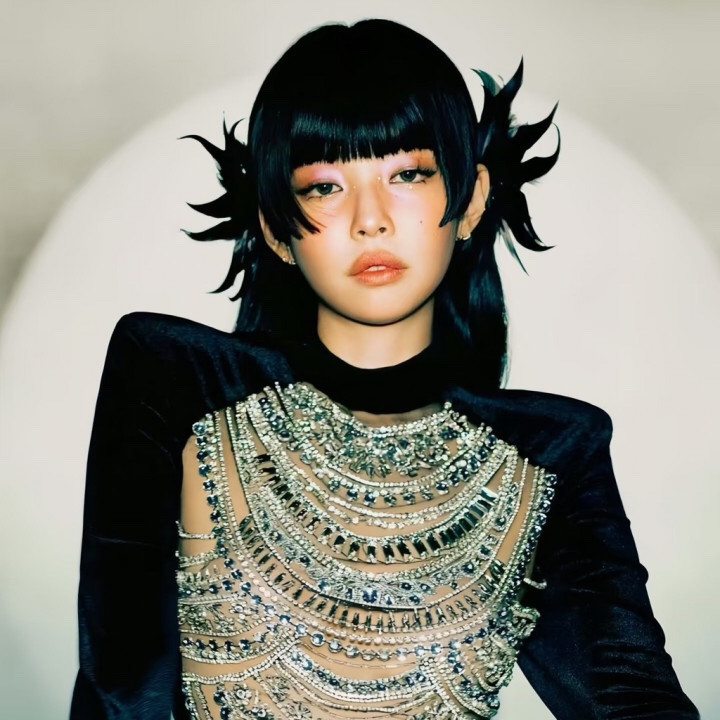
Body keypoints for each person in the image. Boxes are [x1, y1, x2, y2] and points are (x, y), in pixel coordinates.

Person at [70, 18, 698, 720]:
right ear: (275, 227)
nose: (370, 219)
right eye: (324, 186)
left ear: (472, 199)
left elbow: (634, 700)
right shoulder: (171, 382)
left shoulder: (550, 456)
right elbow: (116, 687)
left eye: (407, 174)